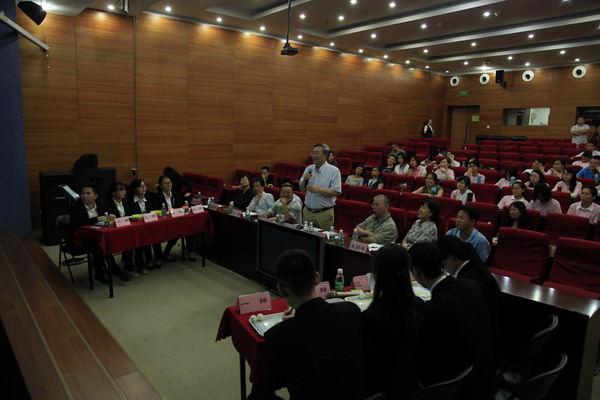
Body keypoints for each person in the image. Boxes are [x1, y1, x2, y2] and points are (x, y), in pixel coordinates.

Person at [251, 249, 363, 399]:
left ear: (281, 290)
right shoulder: (351, 311)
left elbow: (270, 382)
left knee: (256, 395)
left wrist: (290, 326)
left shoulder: (278, 336)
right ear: (317, 278)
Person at [409, 243, 497, 400]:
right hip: (486, 375)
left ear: (416, 271)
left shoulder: (433, 309)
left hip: (462, 387)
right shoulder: (470, 286)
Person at [363, 244, 425, 398]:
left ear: (377, 275)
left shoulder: (372, 316)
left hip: (383, 392)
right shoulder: (418, 305)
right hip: (414, 387)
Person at [437, 235, 501, 353]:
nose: (443, 269)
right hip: (488, 335)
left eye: (442, 264)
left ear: (450, 258)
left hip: (478, 344)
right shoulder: (473, 268)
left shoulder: (466, 281)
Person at [69, 183, 131, 284]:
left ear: (95, 196)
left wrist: (109, 218)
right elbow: (76, 222)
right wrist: (96, 219)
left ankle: (104, 270)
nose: (84, 196)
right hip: (80, 238)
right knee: (100, 245)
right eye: (83, 193)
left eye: (88, 193)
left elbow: (105, 219)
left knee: (106, 241)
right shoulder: (75, 207)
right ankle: (107, 271)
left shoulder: (101, 205)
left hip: (97, 235)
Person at [299, 143, 342, 229]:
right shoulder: (309, 168)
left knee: (323, 237)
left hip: (324, 214)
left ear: (325, 155)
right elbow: (302, 190)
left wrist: (319, 189)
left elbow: (337, 192)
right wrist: (304, 180)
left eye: (317, 153)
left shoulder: (334, 171)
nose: (314, 156)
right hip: (307, 212)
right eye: (313, 153)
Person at [105, 182, 142, 276]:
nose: (124, 192)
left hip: (126, 229)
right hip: (114, 231)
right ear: (113, 192)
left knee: (138, 239)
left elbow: (129, 215)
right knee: (130, 241)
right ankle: (128, 268)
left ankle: (140, 266)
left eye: (124, 190)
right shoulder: (107, 203)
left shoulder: (125, 201)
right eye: (121, 190)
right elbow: (107, 220)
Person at [128, 178, 161, 269]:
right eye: (140, 186)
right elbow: (130, 216)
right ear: (135, 189)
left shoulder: (149, 198)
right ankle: (148, 260)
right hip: (137, 227)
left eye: (144, 186)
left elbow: (153, 212)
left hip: (149, 225)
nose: (143, 188)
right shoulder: (130, 201)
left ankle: (158, 258)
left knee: (157, 235)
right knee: (145, 237)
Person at [155, 174, 187, 262]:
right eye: (165, 183)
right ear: (160, 186)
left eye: (169, 183)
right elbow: (156, 211)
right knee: (156, 235)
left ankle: (166, 252)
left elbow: (179, 208)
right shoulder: (157, 196)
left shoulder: (175, 195)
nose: (168, 185)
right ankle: (158, 257)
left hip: (173, 221)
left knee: (179, 230)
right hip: (161, 222)